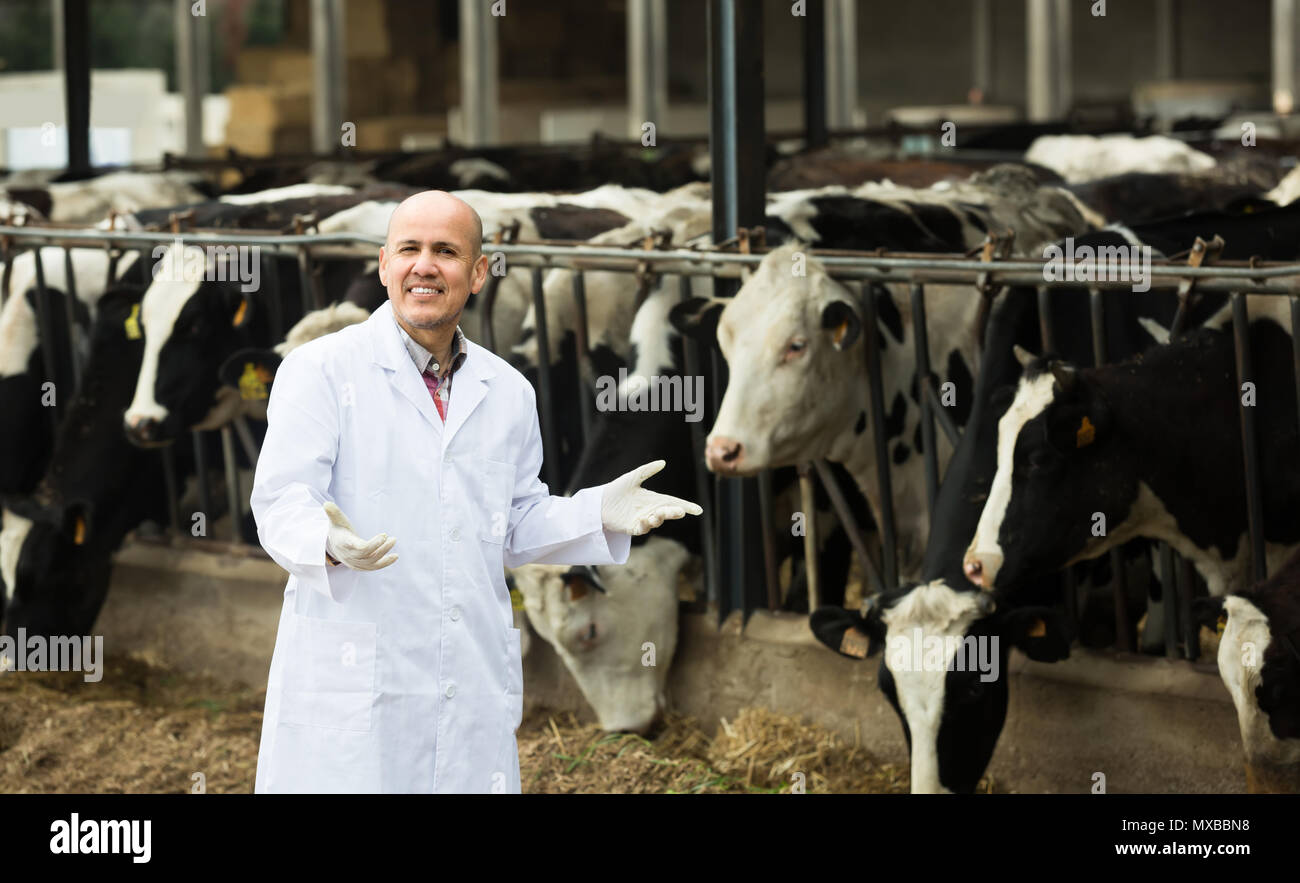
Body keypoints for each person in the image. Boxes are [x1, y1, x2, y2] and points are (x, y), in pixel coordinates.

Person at [250, 191, 700, 793]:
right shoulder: (320, 370)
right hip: (355, 681)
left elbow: (513, 524)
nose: (425, 266)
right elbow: (280, 502)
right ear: (384, 266)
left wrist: (598, 512)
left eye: (447, 251)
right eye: (409, 249)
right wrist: (328, 542)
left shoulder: (508, 389)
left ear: (479, 272)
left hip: (465, 683)